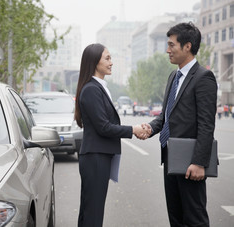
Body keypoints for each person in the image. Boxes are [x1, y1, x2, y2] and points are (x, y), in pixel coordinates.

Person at [141, 22, 217, 227]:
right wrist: (150, 128)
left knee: (195, 219)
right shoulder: (174, 76)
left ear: (188, 46)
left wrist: (199, 162)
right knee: (176, 218)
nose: (167, 50)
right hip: (170, 159)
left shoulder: (204, 77)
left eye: (171, 45)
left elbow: (206, 124)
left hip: (191, 162)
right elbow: (167, 116)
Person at [74, 43, 146, 227]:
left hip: (98, 156)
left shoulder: (97, 87)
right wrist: (133, 130)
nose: (111, 62)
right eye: (107, 58)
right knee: (93, 213)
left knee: (91, 210)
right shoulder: (91, 89)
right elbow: (104, 127)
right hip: (95, 158)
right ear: (94, 61)